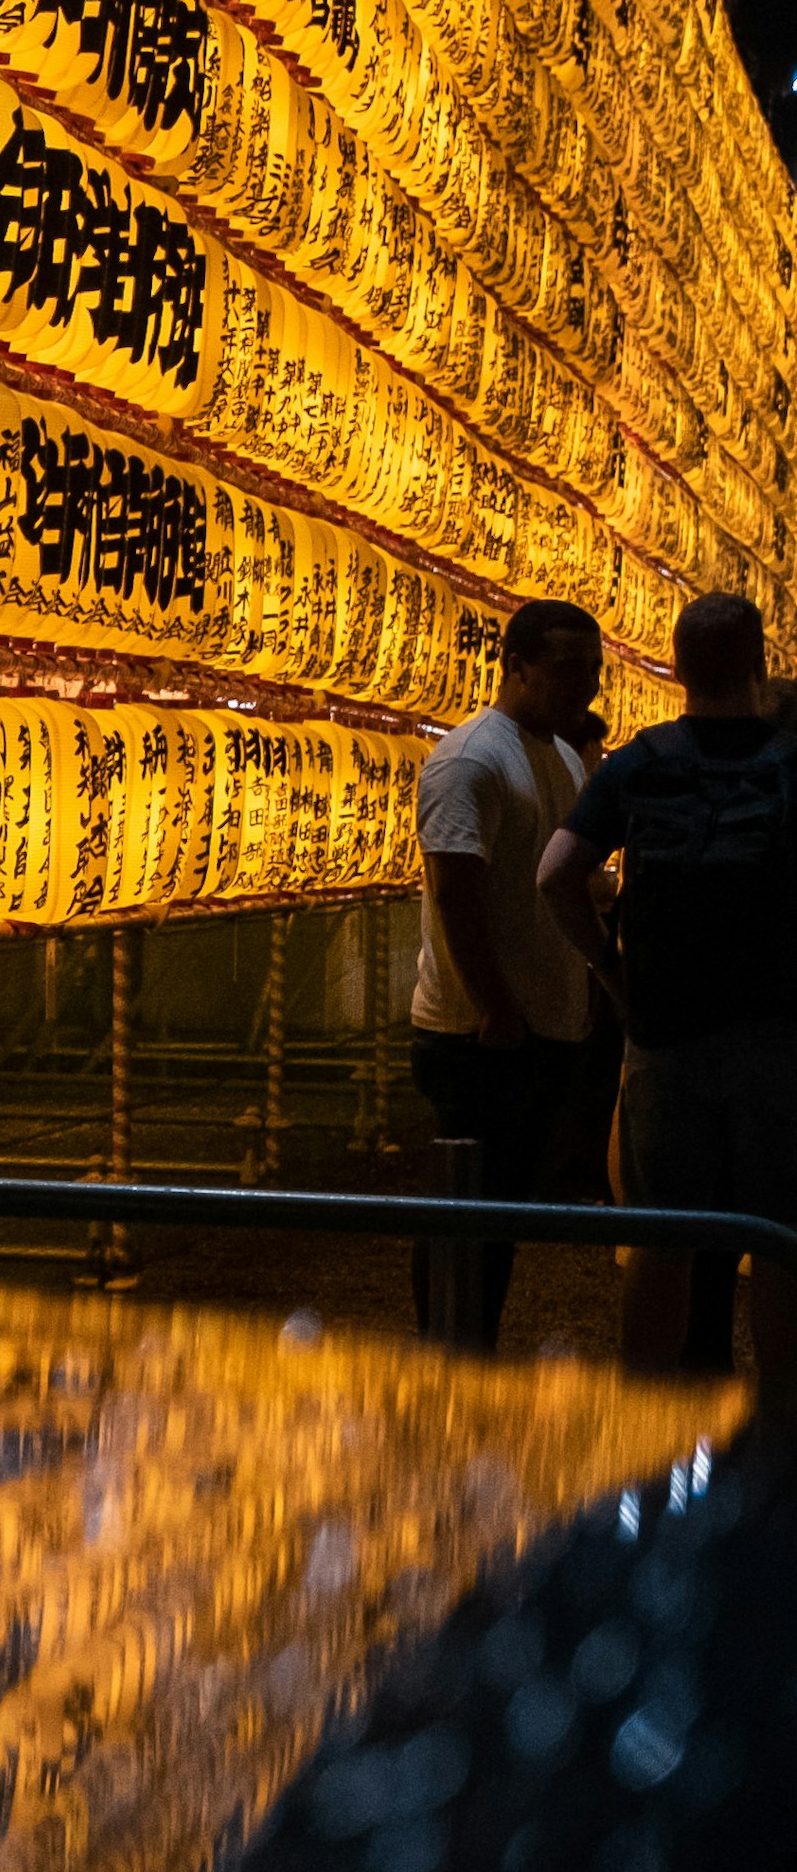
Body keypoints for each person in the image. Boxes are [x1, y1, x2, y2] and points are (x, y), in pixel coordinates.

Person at [536, 588, 797, 1401]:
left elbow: (555, 873)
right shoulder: (792, 762)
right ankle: (781, 1430)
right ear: (759, 666)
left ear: (677, 667)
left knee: (661, 1239)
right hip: (776, 1036)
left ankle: (642, 1426)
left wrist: (609, 969)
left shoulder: (642, 762)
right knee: (781, 1243)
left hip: (664, 1035)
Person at [406, 594, 606, 1349]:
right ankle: (449, 1351)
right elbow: (454, 890)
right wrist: (495, 1009)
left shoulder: (556, 754)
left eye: (592, 671)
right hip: (478, 1032)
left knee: (502, 1209)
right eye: (565, 670)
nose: (582, 687)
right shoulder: (469, 759)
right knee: (467, 1207)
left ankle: (473, 1345)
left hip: (532, 1021)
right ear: (515, 666)